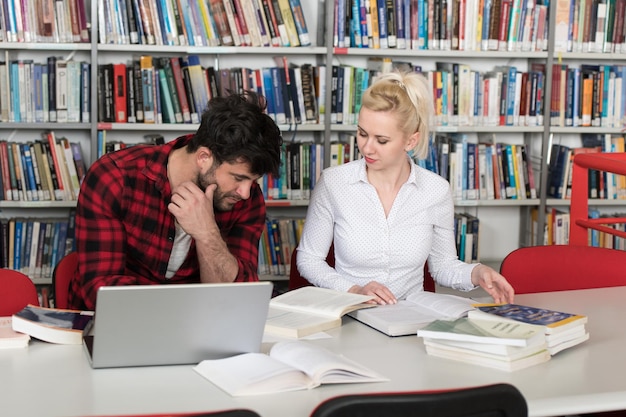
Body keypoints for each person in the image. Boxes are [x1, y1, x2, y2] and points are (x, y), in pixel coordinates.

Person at [296, 71, 515, 306]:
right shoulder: (333, 182)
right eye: (362, 134)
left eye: (381, 140)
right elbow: (308, 259)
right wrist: (353, 290)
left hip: (411, 317)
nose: (366, 148)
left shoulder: (436, 190)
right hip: (352, 313)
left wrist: (478, 273)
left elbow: (443, 266)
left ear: (410, 141)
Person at [68, 91, 282, 310]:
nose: (246, 192)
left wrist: (207, 234)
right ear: (204, 158)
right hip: (115, 322)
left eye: (253, 181)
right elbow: (102, 288)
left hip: (196, 325)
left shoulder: (247, 200)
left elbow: (235, 299)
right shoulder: (114, 177)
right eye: (239, 178)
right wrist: (179, 313)